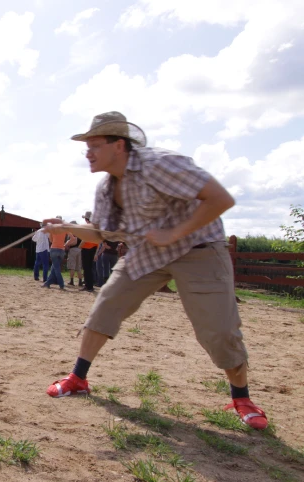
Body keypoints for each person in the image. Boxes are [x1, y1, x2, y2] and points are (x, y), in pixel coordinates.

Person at [43, 111, 268, 430]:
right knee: (107, 304)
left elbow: (220, 198)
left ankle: (241, 397)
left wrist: (174, 233)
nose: (87, 153)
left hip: (199, 249)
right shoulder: (106, 189)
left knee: (218, 329)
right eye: (86, 146)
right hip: (149, 254)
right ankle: (78, 378)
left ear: (119, 145)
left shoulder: (160, 164)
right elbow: (102, 233)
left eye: (94, 145)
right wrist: (66, 227)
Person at [42, 215, 66, 290]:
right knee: (54, 267)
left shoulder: (53, 230)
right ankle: (47, 283)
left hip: (54, 249)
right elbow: (72, 238)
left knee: (56, 269)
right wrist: (64, 244)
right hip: (62, 250)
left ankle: (61, 284)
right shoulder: (64, 229)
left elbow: (51, 240)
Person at [80, 211, 99, 293]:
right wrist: (96, 252)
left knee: (86, 268)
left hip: (86, 248)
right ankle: (89, 285)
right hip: (94, 247)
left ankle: (88, 286)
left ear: (86, 219)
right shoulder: (95, 227)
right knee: (90, 268)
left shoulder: (87, 226)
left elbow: (85, 238)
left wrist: (79, 246)